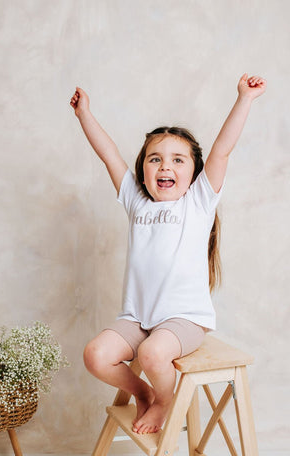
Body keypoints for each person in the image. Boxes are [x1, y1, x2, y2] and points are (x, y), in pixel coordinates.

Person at [70, 73, 266, 435]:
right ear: (142, 170)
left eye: (178, 160)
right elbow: (109, 154)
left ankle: (164, 400)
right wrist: (84, 114)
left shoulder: (198, 203)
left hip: (183, 319)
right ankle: (144, 392)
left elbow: (222, 149)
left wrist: (244, 99)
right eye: (155, 159)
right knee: (95, 355)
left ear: (194, 174)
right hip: (138, 318)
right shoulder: (136, 201)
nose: (165, 167)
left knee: (153, 354)